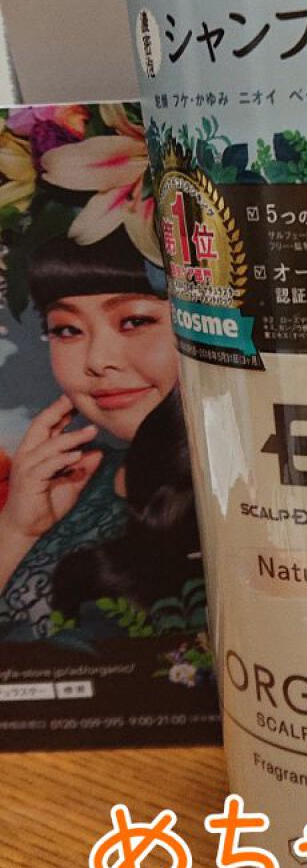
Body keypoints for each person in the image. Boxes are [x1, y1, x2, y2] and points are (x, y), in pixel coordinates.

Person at [0, 229, 198, 634]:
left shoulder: (251, 495)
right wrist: (18, 529)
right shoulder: (74, 485)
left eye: (135, 321)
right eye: (67, 329)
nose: (97, 360)